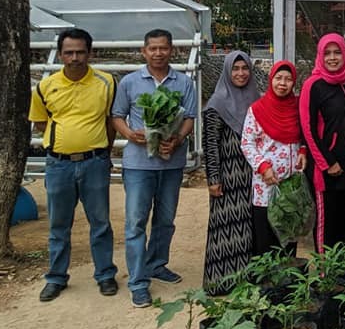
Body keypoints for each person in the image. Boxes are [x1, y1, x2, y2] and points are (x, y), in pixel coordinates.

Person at [29, 28, 118, 302]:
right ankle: (56, 278)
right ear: (60, 54)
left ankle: (105, 275)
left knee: (100, 222)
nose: (75, 58)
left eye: (80, 52)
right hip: (59, 165)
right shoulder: (45, 87)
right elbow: (41, 122)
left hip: (94, 163)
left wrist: (103, 152)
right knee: (59, 225)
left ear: (90, 53)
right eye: (69, 52)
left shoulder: (106, 83)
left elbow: (110, 121)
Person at [111, 29, 197, 308]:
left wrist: (178, 139)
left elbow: (190, 117)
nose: (158, 53)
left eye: (164, 48)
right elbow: (117, 115)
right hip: (138, 164)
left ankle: (157, 264)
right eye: (153, 48)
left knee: (165, 219)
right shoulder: (130, 82)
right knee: (136, 222)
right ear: (144, 51)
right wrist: (130, 134)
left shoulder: (184, 82)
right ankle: (138, 282)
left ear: (172, 50)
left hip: (171, 164)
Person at [202, 50, 261, 293]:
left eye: (244, 68)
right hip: (227, 176)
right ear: (227, 71)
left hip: (251, 175)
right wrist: (213, 178)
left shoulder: (256, 100)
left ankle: (245, 280)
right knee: (225, 227)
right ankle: (220, 282)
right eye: (235, 69)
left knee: (248, 228)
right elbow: (210, 145)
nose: (240, 73)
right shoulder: (217, 104)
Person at [299, 33, 345, 251]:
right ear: (320, 56)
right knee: (328, 223)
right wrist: (327, 162)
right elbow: (307, 128)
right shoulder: (313, 85)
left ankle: (344, 270)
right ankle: (327, 275)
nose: (333, 58)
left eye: (337, 53)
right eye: (327, 53)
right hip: (328, 169)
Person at [241, 60, 307, 255]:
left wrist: (303, 150)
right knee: (266, 235)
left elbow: (304, 134)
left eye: (288, 79)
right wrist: (263, 167)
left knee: (289, 234)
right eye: (278, 78)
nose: (282, 84)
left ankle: (287, 281)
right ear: (271, 80)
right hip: (266, 184)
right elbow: (247, 143)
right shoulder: (257, 109)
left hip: (291, 186)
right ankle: (267, 283)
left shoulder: (297, 107)